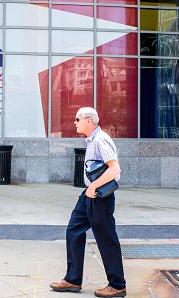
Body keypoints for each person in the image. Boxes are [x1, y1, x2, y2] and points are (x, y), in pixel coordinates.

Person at [50, 107, 126, 297]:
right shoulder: (92, 140)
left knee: (106, 238)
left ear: (89, 121)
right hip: (89, 195)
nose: (74, 122)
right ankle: (72, 279)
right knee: (73, 230)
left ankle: (117, 285)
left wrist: (93, 187)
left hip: (99, 196)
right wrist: (89, 189)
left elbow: (114, 169)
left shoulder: (101, 140)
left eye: (77, 119)